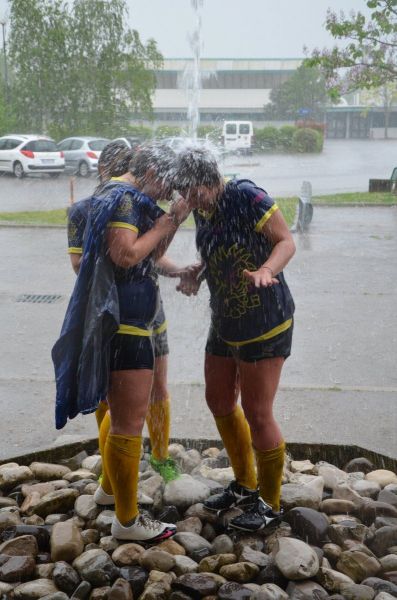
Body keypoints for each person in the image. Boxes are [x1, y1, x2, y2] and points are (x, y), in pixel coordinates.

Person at [64, 141, 190, 542]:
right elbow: (125, 254)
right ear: (152, 173)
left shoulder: (123, 197)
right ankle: (127, 519)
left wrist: (172, 223)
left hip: (133, 318)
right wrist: (168, 223)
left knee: (129, 418)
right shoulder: (120, 199)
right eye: (167, 183)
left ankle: (115, 497)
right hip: (124, 323)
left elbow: (148, 254)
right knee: (127, 423)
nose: (168, 193)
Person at [174, 146, 296, 532]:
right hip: (226, 320)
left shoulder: (245, 194)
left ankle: (271, 505)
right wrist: (198, 272)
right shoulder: (201, 205)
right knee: (219, 398)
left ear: (211, 181)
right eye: (185, 194)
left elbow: (285, 241)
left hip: (265, 320)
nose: (189, 202)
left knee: (258, 412)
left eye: (194, 193)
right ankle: (245, 484)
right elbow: (221, 253)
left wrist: (266, 269)